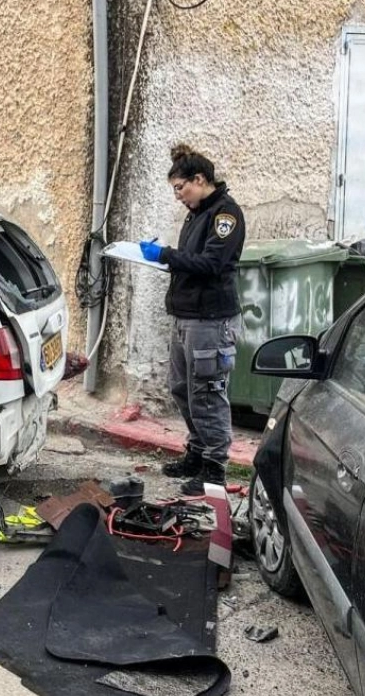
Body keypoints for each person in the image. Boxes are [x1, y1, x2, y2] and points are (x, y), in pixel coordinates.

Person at [139, 145, 246, 496]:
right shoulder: (196, 213)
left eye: (181, 188)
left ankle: (214, 468)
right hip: (186, 316)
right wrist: (166, 257)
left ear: (200, 180)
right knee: (182, 388)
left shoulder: (225, 215)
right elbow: (190, 258)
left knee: (207, 393)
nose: (179, 197)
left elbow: (211, 264)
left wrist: (166, 256)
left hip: (210, 320)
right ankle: (197, 453)